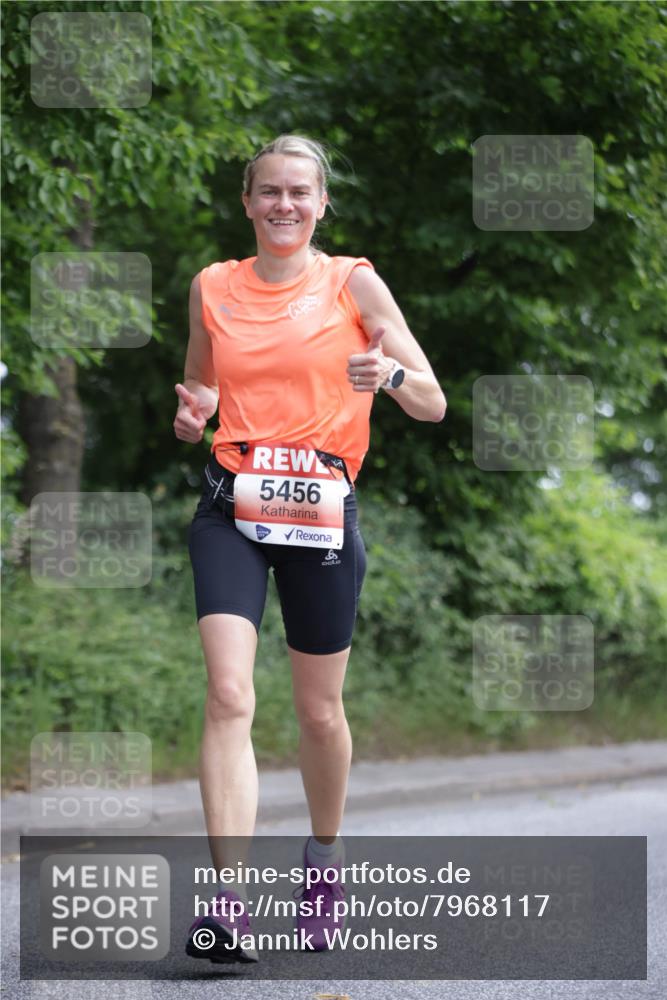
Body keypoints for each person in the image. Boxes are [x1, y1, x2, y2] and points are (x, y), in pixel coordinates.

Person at [174, 134, 446, 964]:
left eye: (300, 192)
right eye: (268, 193)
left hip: (322, 516)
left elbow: (432, 402)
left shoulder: (351, 281)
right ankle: (228, 906)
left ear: (321, 204)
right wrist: (192, 418)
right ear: (248, 203)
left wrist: (389, 379)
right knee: (228, 696)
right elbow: (202, 387)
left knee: (318, 713)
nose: (283, 205)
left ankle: (322, 859)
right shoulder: (212, 286)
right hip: (230, 504)